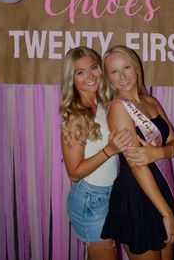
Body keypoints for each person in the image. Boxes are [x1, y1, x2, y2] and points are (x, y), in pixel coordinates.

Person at [101, 45, 174, 260]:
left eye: (126, 67)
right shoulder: (119, 108)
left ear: (136, 68)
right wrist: (167, 213)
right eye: (114, 71)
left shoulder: (151, 102)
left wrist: (159, 153)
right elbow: (137, 164)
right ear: (109, 78)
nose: (122, 76)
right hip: (136, 199)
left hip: (161, 191)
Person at [59, 46, 134, 260]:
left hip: (113, 193)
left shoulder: (103, 103)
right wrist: (109, 150)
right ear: (71, 78)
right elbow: (73, 173)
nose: (90, 76)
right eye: (80, 72)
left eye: (93, 67)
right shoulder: (75, 116)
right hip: (90, 199)